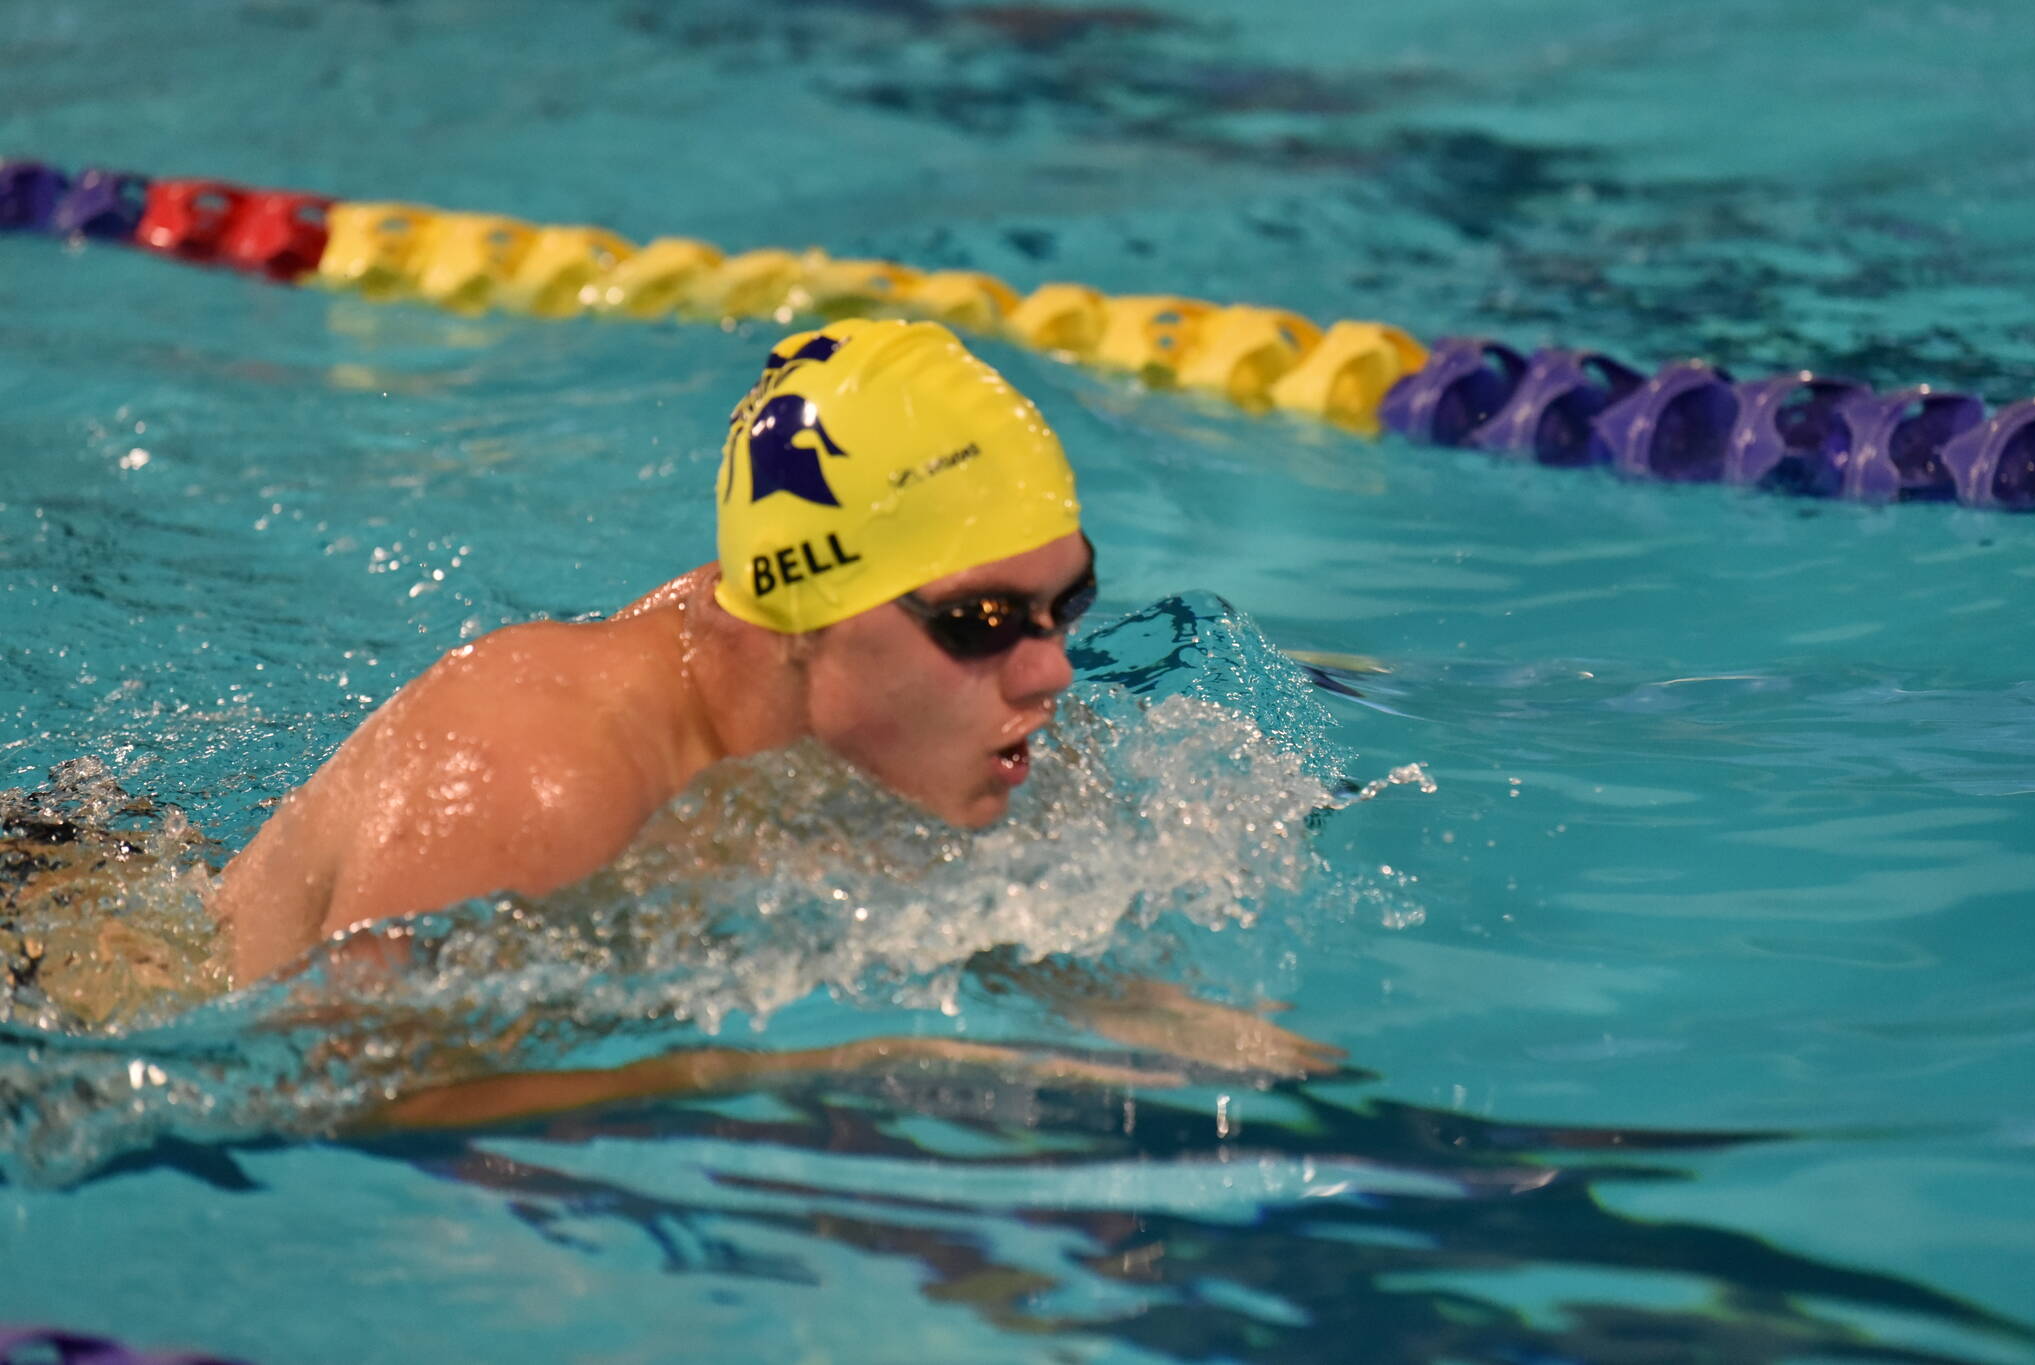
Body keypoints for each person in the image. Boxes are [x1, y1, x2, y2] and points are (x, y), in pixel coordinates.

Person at [195, 318, 1340, 1112]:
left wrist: (1169, 1029)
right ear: (804, 617)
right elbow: (350, 1092)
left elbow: (972, 918)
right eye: (983, 620)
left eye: (1065, 605)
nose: (1049, 674)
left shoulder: (918, 724)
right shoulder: (532, 773)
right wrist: (822, 1069)